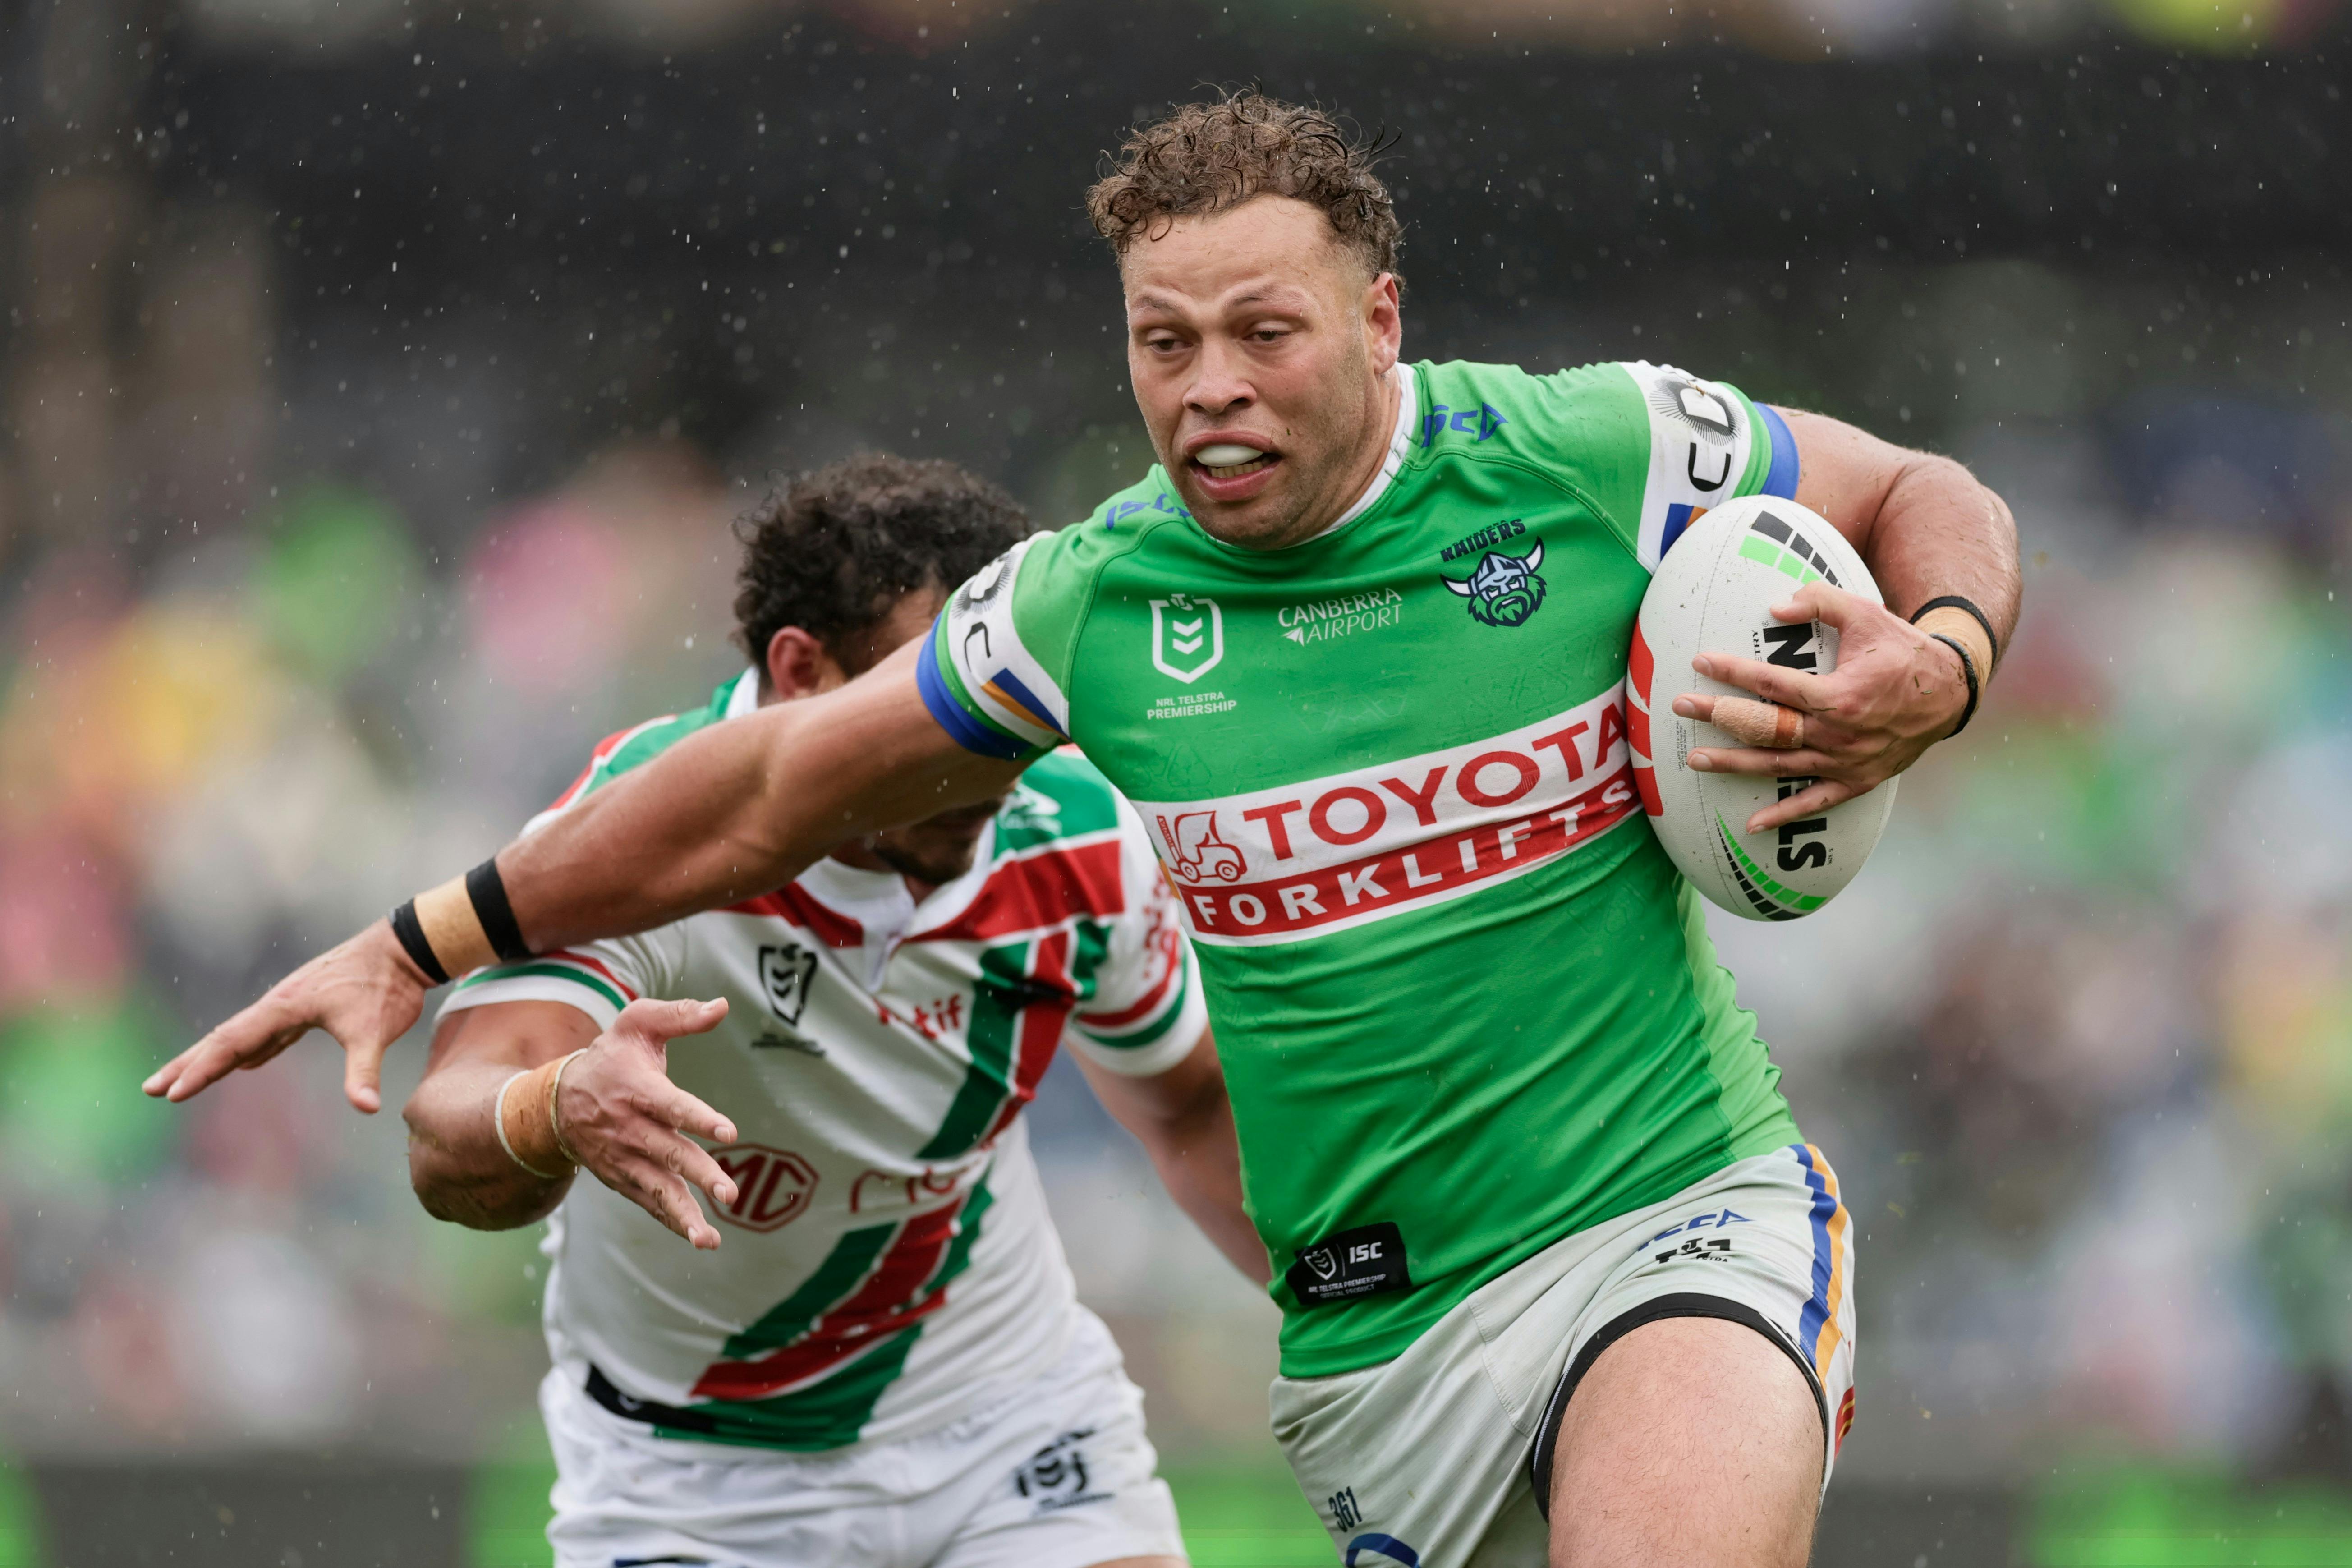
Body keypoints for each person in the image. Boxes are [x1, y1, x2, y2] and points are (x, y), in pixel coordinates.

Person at [151, 96, 2021, 1567]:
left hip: (1663, 1208)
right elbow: (768, 787)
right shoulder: (1082, 604)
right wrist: (423, 940)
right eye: (1163, 339)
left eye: (1262, 331)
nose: (1207, 383)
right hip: (1377, 1336)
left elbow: (1917, 487)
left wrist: (1936, 658)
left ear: (1376, 319)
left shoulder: (1585, 446)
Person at [400, 454, 1257, 1568]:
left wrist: (1354, 1314)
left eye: (998, 693)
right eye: (930, 697)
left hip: (1009, 1419)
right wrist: (553, 1106)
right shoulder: (632, 839)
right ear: (802, 669)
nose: (984, 748)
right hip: (692, 1478)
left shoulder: (1076, 831)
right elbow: (443, 1139)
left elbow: (1189, 1109)